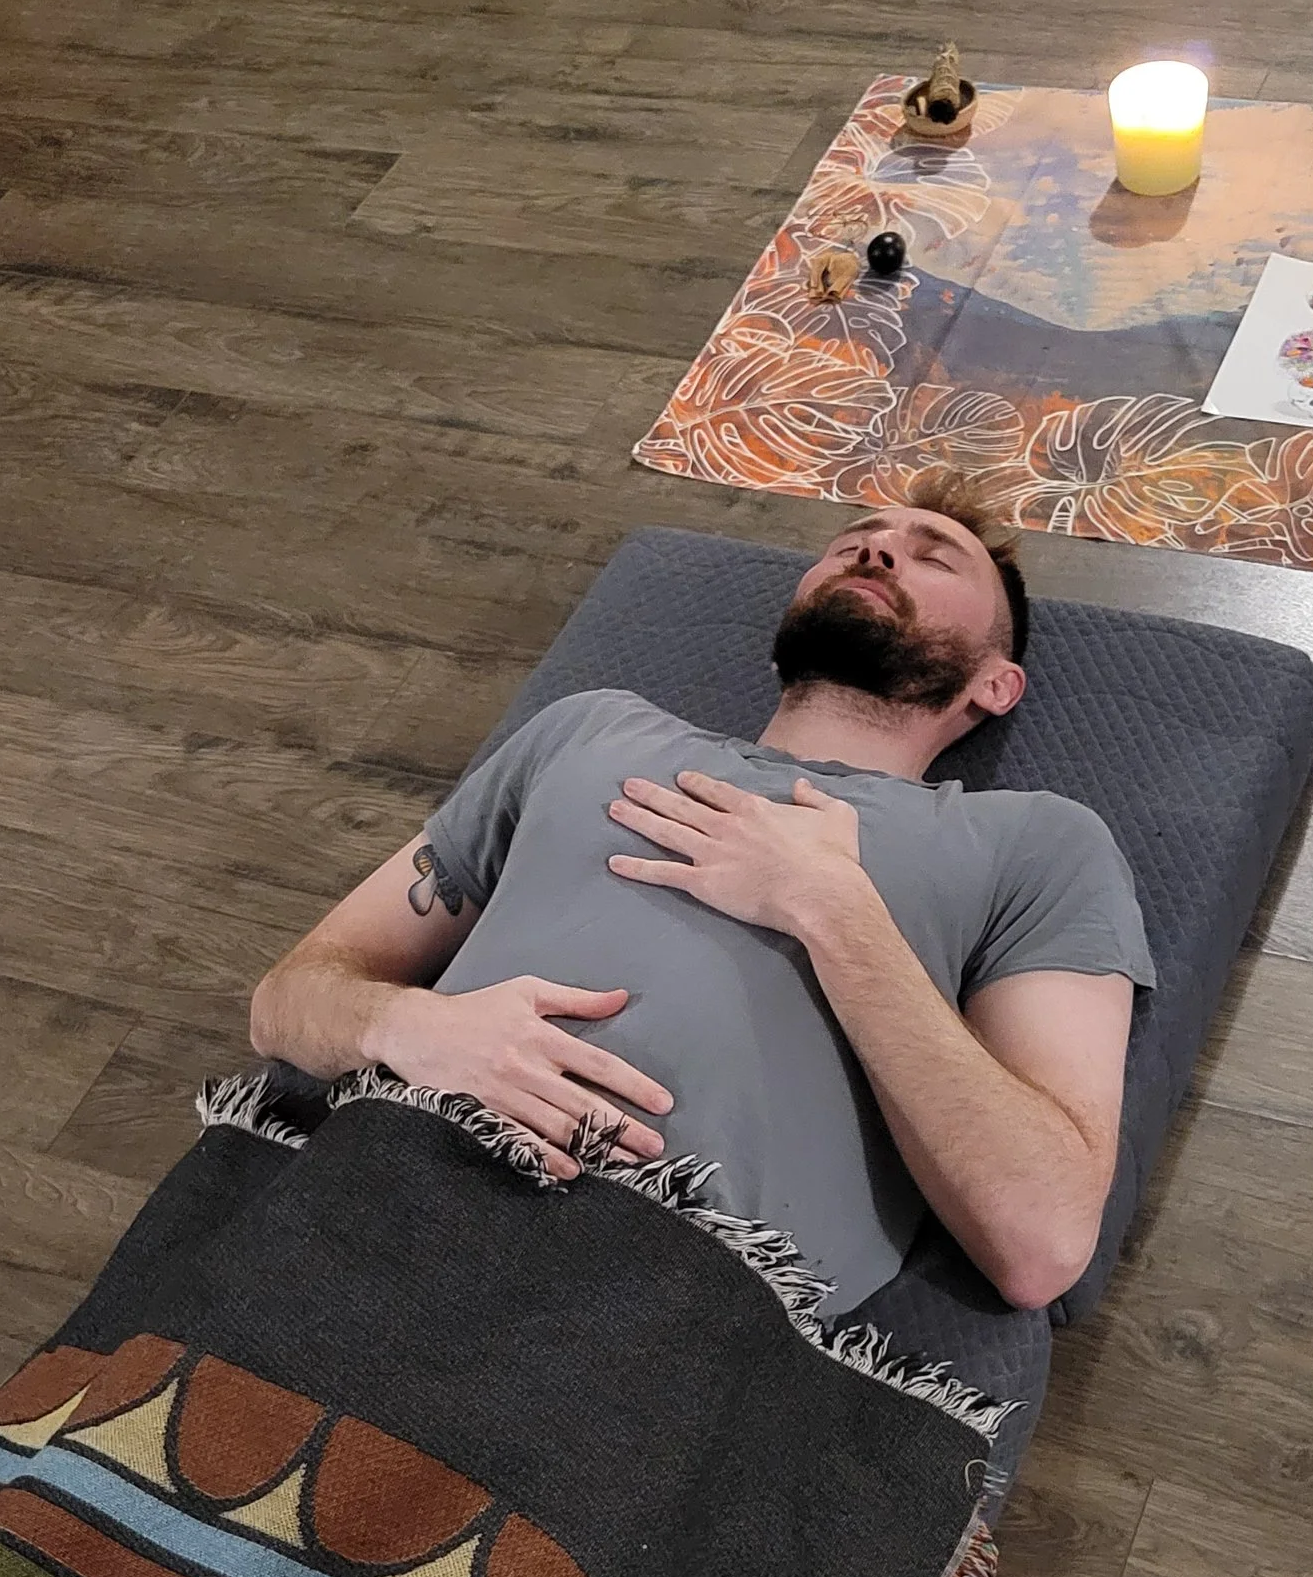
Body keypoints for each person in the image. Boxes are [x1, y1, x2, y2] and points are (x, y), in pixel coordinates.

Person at [248, 475, 1155, 1317]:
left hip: (666, 1317)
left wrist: (834, 909)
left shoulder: (1035, 841)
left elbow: (1041, 1241)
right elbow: (285, 1003)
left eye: (933, 554)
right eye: (858, 537)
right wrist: (407, 1027)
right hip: (378, 1196)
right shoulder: (590, 728)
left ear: (996, 685)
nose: (877, 551)